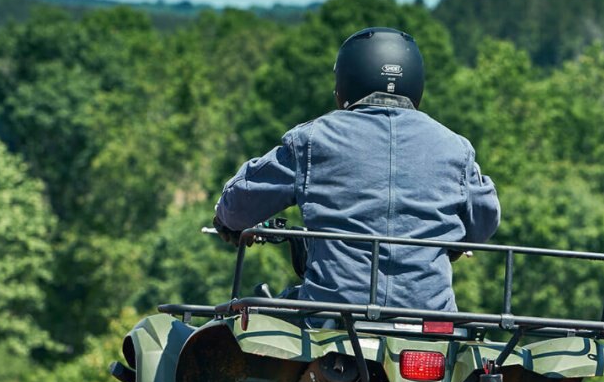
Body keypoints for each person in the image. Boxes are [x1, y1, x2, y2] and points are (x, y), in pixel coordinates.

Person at [214, 27, 500, 313]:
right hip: (431, 318)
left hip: (331, 313)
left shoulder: (314, 140)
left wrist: (227, 220)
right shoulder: (454, 147)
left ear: (346, 83)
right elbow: (484, 220)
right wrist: (453, 244)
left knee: (250, 323)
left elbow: (241, 202)